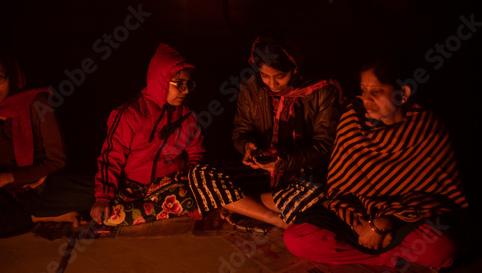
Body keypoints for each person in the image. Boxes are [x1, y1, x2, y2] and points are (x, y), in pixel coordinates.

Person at [283, 55, 469, 269]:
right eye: (363, 90)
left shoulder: (427, 128)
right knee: (297, 238)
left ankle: (381, 250)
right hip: (358, 215)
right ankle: (390, 256)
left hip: (405, 220)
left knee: (441, 248)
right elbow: (340, 189)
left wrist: (387, 221)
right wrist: (362, 226)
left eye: (376, 91)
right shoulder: (353, 119)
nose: (366, 99)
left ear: (403, 93)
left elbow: (441, 198)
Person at [189, 35, 342, 229]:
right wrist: (247, 146)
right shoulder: (252, 87)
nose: (272, 83)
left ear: (295, 69)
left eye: (280, 76)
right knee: (199, 174)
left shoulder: (322, 90)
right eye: (265, 75)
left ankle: (243, 205)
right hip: (261, 172)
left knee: (318, 190)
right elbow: (241, 130)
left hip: (298, 174)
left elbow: (326, 146)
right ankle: (276, 219)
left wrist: (285, 162)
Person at [0, 47, 94, 239]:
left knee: (98, 195)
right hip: (4, 196)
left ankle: (38, 214)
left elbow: (56, 160)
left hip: (42, 188)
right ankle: (39, 218)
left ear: (13, 75)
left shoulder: (37, 104)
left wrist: (11, 177)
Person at [90, 43, 205, 227]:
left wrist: (188, 175)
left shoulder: (187, 116)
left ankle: (153, 210)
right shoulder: (130, 114)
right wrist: (103, 196)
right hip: (133, 185)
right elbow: (111, 157)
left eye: (189, 84)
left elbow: (196, 153)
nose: (186, 91)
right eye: (179, 85)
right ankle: (167, 210)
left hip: (168, 185)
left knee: (197, 193)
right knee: (110, 215)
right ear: (161, 81)